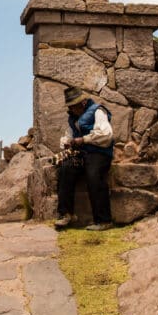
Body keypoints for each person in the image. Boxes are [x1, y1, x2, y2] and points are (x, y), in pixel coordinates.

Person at [55, 86, 114, 231]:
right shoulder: (73, 117)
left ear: (82, 103)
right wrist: (67, 142)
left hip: (99, 153)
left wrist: (84, 140)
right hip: (82, 154)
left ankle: (104, 220)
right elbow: (68, 135)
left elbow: (106, 135)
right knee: (65, 168)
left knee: (93, 174)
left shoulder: (98, 111)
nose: (71, 110)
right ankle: (66, 214)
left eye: (73, 106)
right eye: (70, 107)